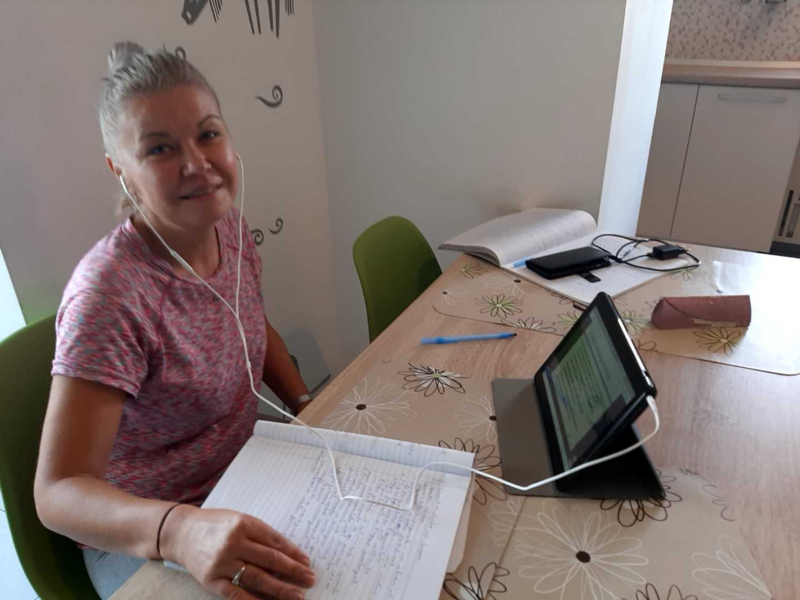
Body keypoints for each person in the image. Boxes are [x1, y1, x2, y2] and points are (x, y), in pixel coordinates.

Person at [33, 41, 317, 600]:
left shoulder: (228, 226)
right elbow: (57, 492)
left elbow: (251, 323)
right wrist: (179, 530)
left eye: (208, 134)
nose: (196, 164)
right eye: (160, 148)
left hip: (249, 474)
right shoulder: (110, 295)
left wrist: (305, 405)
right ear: (121, 171)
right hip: (146, 533)